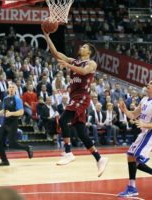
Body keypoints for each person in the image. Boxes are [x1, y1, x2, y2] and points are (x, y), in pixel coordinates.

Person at [43, 28, 108, 177]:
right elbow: (57, 54)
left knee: (63, 119)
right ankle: (99, 158)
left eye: (84, 47)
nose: (81, 47)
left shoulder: (91, 63)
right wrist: (47, 37)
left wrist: (68, 66)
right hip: (74, 97)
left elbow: (84, 72)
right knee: (80, 132)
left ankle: (68, 152)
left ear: (89, 52)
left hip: (82, 97)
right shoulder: (75, 60)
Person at [117, 79, 152, 197]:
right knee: (131, 157)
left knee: (136, 159)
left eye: (151, 83)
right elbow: (134, 115)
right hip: (144, 133)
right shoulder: (144, 100)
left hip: (151, 133)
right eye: (148, 82)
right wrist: (124, 109)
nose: (148, 84)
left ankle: (132, 187)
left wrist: (144, 124)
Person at [0, 82, 33, 166]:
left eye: (13, 87)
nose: (11, 89)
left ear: (15, 89)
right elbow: (4, 110)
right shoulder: (5, 99)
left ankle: (27, 148)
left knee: (12, 144)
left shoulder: (17, 99)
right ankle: (4, 161)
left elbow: (21, 112)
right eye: (10, 87)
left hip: (13, 123)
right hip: (5, 122)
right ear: (8, 89)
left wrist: (11, 113)